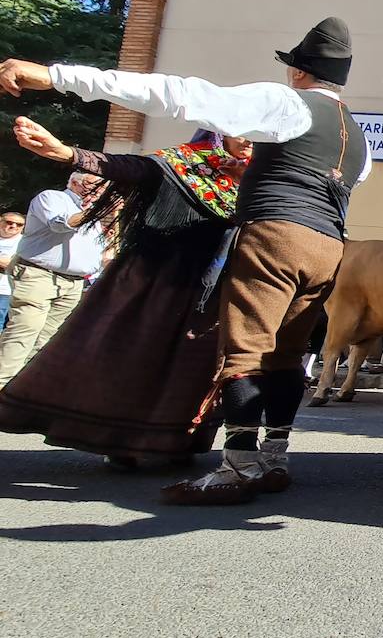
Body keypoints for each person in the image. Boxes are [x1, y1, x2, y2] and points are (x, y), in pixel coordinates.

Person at [0, 16, 371, 504]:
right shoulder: (357, 137)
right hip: (328, 246)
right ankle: (275, 457)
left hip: (275, 236)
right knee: (286, 357)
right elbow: (330, 183)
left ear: (300, 72)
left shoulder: (286, 102)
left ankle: (237, 466)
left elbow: (179, 93)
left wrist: (55, 76)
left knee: (245, 352)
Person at [0, 117, 249, 466]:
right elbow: (130, 168)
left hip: (211, 291)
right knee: (134, 360)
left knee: (189, 369)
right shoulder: (182, 162)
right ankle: (117, 441)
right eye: (244, 132)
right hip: (155, 280)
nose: (251, 142)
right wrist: (67, 153)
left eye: (261, 135)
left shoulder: (257, 179)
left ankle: (171, 445)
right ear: (221, 132)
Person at [0, 170, 106, 389]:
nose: (101, 191)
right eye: (95, 185)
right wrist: (95, 210)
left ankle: (18, 394)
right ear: (76, 183)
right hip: (39, 275)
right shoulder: (53, 198)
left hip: (74, 283)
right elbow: (59, 225)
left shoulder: (94, 213)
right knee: (24, 331)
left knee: (46, 340)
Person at [0, 211, 25, 330]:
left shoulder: (24, 243)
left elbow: (10, 264)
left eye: (19, 224)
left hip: (4, 290)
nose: (13, 226)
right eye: (9, 222)